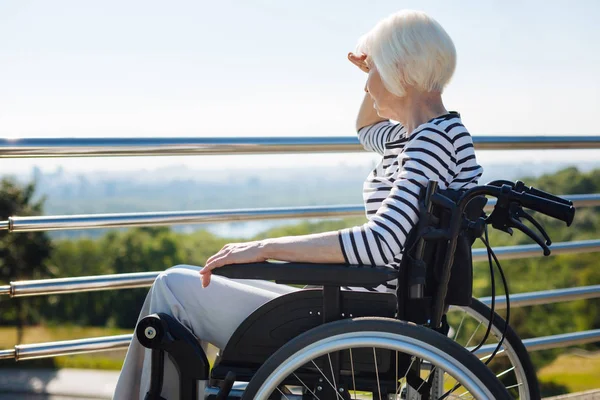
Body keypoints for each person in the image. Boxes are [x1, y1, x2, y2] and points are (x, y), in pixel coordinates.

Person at [112, 9, 483, 399]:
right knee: (182, 284)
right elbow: (366, 130)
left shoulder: (430, 141)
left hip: (358, 315)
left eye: (375, 72)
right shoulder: (428, 135)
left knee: (172, 287)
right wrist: (374, 68)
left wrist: (265, 247)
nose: (367, 88)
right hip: (364, 304)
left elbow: (379, 243)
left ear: (400, 70)